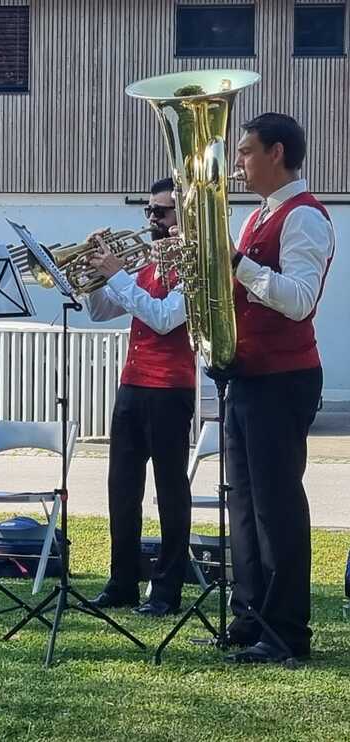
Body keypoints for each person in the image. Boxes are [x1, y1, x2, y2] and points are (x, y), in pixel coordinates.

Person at [223, 113, 335, 663]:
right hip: (248, 373)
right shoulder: (258, 215)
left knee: (277, 506)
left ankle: (287, 630)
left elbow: (299, 300)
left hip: (283, 377)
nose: (238, 163)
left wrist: (236, 263)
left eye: (246, 151)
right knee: (244, 504)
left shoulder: (305, 217)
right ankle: (251, 618)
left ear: (277, 152)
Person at [85, 177, 196, 617]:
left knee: (170, 492)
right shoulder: (147, 263)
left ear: (184, 215)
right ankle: (122, 582)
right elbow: (100, 311)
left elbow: (165, 318)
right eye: (149, 211)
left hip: (171, 387)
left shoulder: (193, 264)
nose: (152, 219)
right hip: (132, 384)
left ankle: (167, 591)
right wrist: (96, 274)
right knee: (122, 488)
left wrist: (117, 274)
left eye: (162, 212)